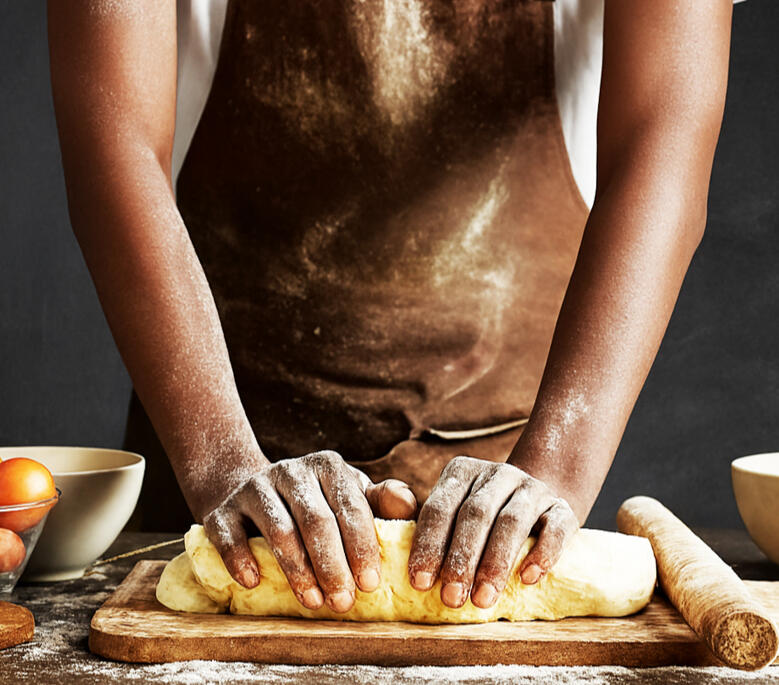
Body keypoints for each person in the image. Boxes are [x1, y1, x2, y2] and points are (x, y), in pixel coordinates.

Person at [47, 0, 735, 614]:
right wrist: (223, 462)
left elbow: (662, 134)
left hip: (506, 474)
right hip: (228, 473)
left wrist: (554, 468)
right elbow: (115, 142)